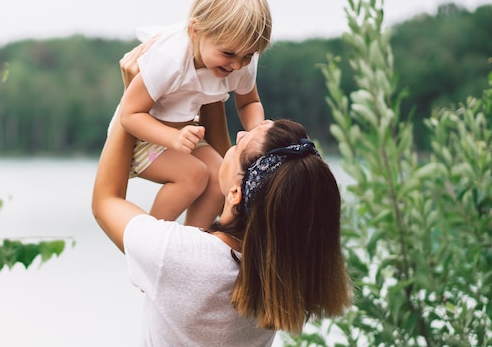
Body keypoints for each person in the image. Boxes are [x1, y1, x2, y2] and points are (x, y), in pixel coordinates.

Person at [92, 113, 352, 346]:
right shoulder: (287, 274)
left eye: (239, 144)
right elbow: (237, 170)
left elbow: (106, 201)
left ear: (237, 193)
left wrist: (131, 109)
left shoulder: (176, 256)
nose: (237, 135)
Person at [118, 0, 272, 228]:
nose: (237, 65)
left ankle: (194, 242)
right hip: (145, 138)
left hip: (186, 137)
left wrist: (258, 130)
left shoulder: (240, 58)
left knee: (220, 175)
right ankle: (149, 241)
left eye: (248, 56)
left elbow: (248, 103)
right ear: (195, 31)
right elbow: (129, 115)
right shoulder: (169, 59)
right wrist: (172, 139)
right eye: (228, 54)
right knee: (195, 174)